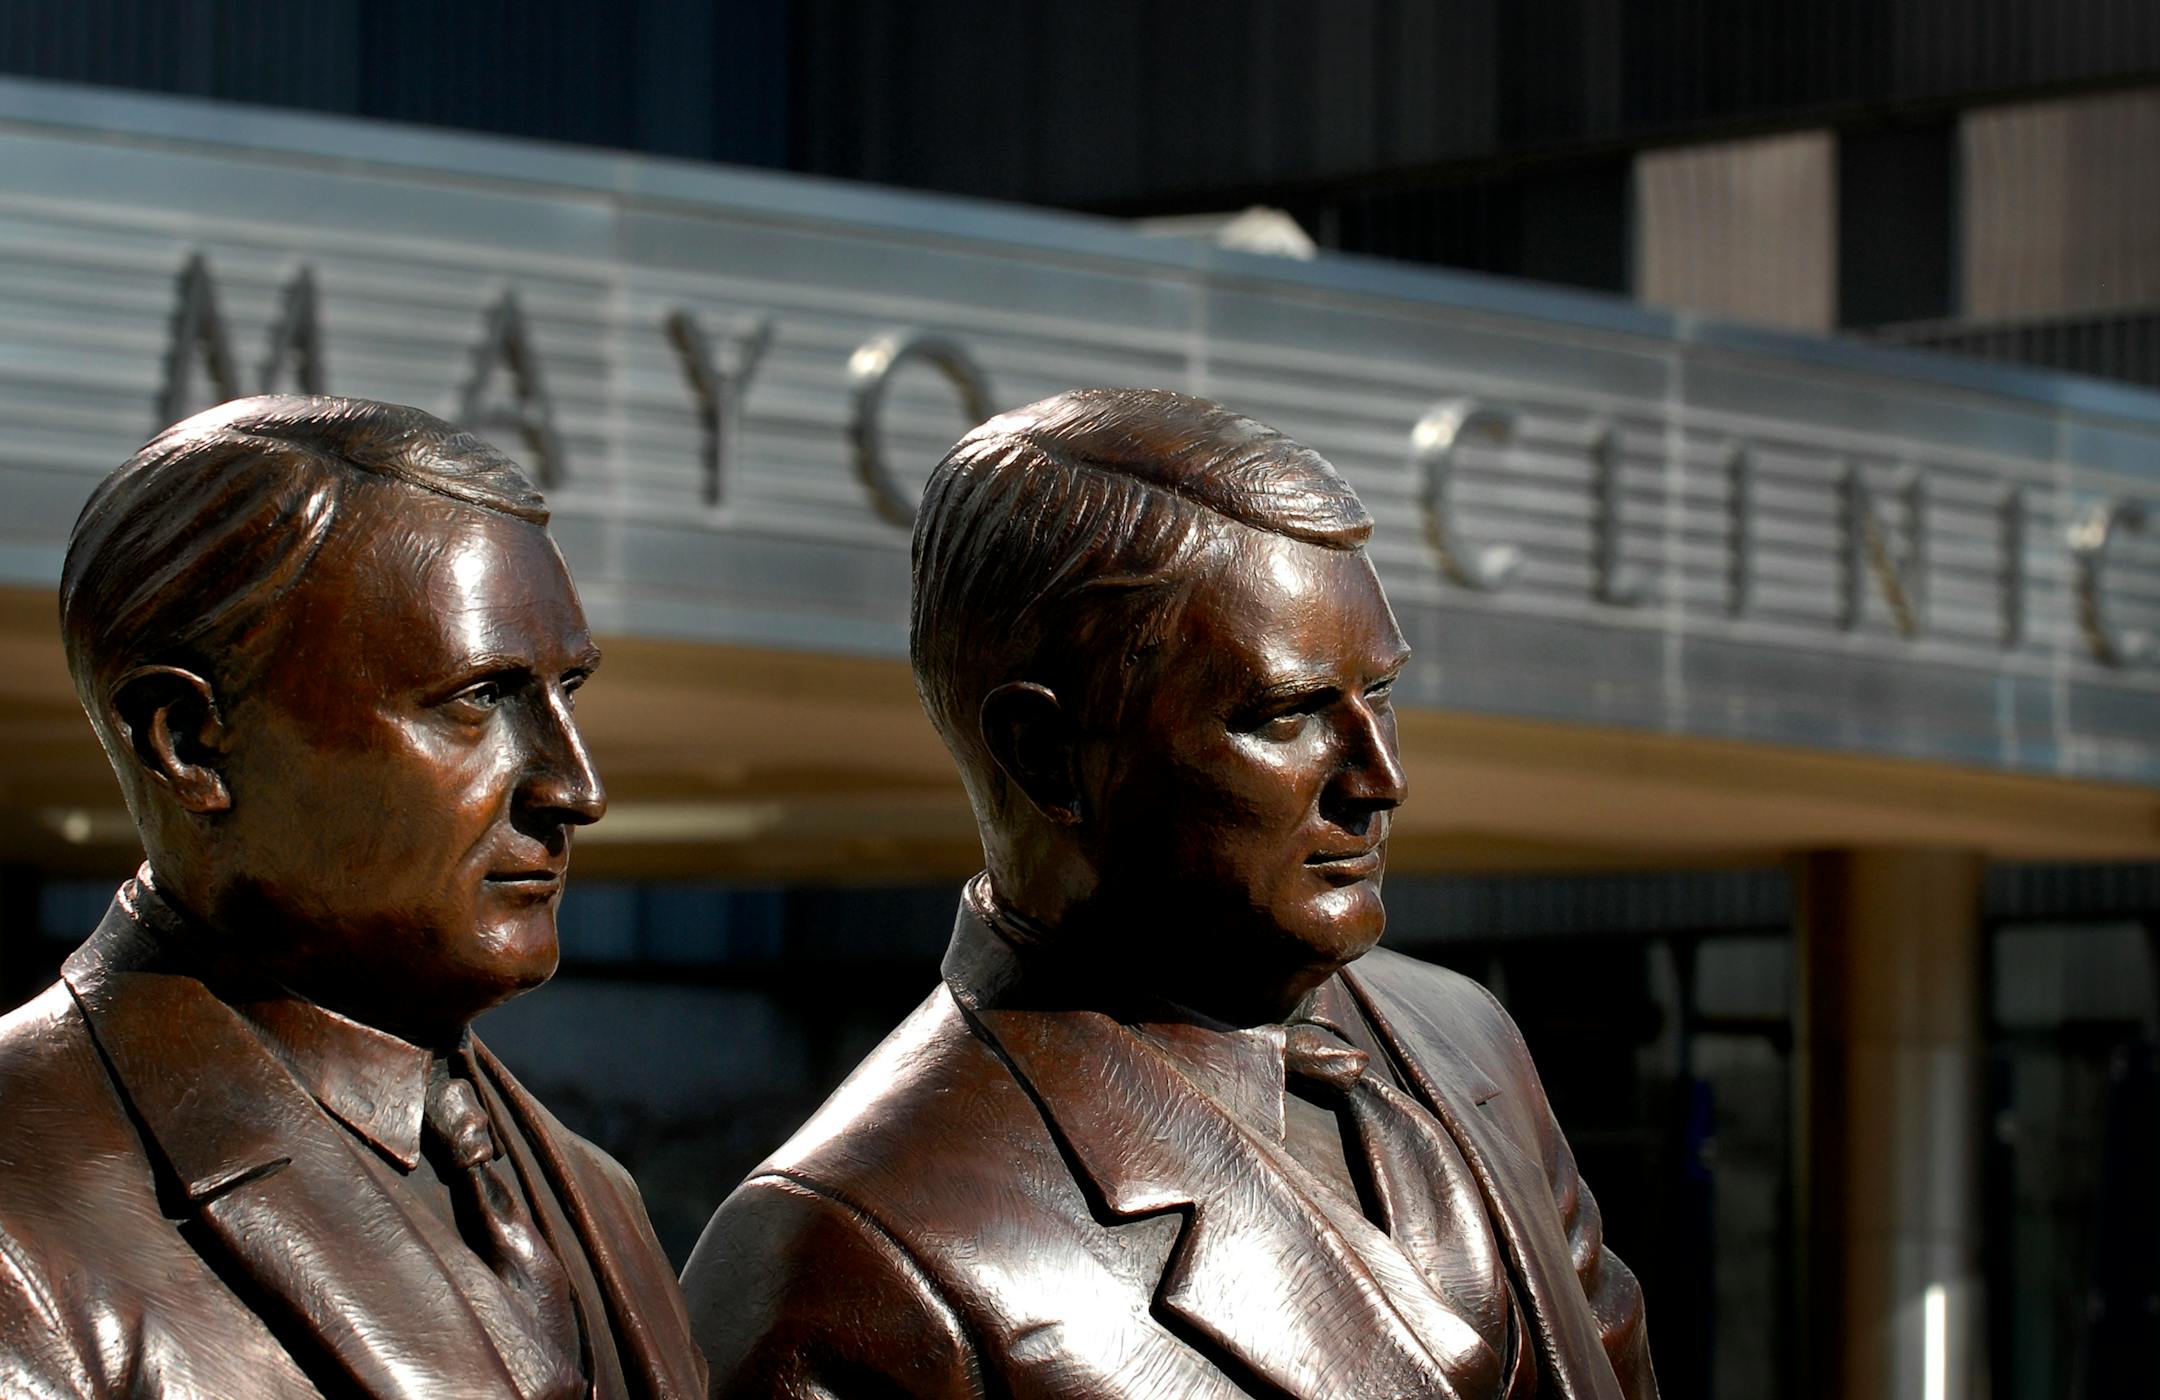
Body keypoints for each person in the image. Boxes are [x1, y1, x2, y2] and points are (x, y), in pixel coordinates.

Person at [682, 388, 1657, 1399]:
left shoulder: (1466, 1037)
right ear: (1047, 754)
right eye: (1288, 713)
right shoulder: (854, 1250)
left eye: (1382, 696)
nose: (1378, 779)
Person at [0, 396, 706, 1399]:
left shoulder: (597, 1195)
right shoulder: (25, 1216)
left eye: (568, 693)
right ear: (191, 741)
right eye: (479, 698)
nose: (575, 788)